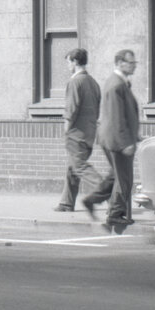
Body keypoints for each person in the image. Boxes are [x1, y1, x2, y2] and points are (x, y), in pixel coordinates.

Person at [82, 49, 140, 234]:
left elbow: (124, 114)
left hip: (113, 136)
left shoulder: (120, 83)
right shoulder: (116, 85)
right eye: (130, 62)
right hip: (116, 139)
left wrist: (134, 135)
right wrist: (126, 143)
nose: (134, 65)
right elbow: (116, 117)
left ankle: (92, 200)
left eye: (134, 63)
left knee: (115, 176)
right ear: (120, 63)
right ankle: (114, 214)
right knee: (124, 179)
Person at [55, 48, 103, 214]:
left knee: (79, 166)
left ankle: (106, 190)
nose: (68, 65)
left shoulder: (75, 82)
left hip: (76, 133)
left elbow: (71, 109)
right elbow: (97, 110)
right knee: (72, 166)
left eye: (68, 61)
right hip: (90, 132)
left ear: (75, 62)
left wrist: (66, 131)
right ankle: (66, 203)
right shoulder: (93, 83)